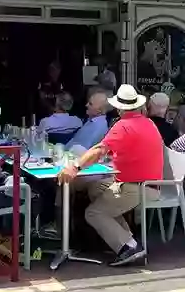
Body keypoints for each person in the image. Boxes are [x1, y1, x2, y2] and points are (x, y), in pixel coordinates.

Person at [57, 84, 163, 267]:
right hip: (150, 184)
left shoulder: (122, 126)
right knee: (95, 189)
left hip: (136, 186)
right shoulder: (148, 123)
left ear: (119, 107)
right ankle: (128, 240)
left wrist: (75, 166)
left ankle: (128, 247)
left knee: (93, 212)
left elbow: (99, 150)